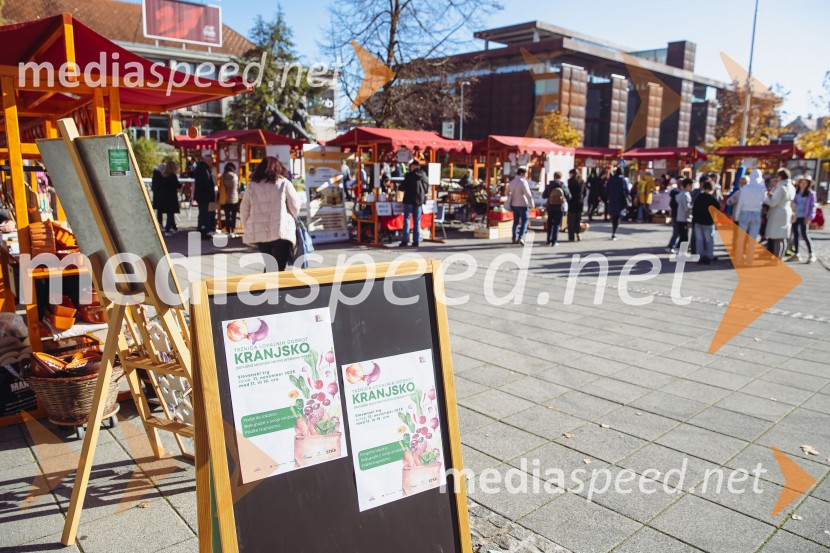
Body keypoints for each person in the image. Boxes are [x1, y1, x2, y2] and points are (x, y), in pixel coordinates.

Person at [240, 157, 300, 271]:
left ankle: (267, 286)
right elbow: (295, 207)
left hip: (261, 233)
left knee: (270, 265)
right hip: (281, 232)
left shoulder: (252, 186)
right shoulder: (284, 183)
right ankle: (272, 288)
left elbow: (244, 209)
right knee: (278, 267)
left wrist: (247, 225)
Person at [733, 169, 765, 265]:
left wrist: (736, 217)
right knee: (752, 239)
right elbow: (764, 201)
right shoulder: (762, 188)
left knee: (741, 238)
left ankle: (738, 259)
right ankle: (749, 260)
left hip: (745, 212)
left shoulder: (746, 188)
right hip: (756, 213)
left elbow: (740, 203)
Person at [763, 168, 796, 259]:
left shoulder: (781, 187)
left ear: (780, 176)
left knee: (776, 237)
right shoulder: (791, 186)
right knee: (783, 237)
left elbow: (773, 203)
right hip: (786, 211)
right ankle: (780, 256)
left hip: (778, 213)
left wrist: (765, 197)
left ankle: (777, 257)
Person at [399, 161, 430, 247]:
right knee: (417, 221)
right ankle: (416, 241)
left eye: (411, 166)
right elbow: (427, 188)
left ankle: (405, 240)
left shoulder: (409, 175)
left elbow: (402, 187)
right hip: (419, 201)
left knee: (407, 220)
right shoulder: (424, 175)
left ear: (413, 166)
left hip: (408, 200)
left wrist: (400, 187)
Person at [788, 175, 817, 263]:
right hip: (796, 215)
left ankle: (811, 253)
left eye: (805, 183)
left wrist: (809, 217)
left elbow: (812, 206)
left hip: (804, 216)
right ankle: (796, 253)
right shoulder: (796, 193)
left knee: (805, 234)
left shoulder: (811, 194)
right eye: (802, 182)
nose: (803, 184)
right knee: (795, 234)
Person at [692, 179, 720, 264]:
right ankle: (709, 256)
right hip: (708, 222)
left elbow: (694, 209)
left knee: (699, 240)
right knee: (709, 240)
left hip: (698, 221)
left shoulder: (699, 197)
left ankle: (699, 256)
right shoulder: (713, 199)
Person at [506, 168, 534, 245]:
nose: (526, 175)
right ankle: (521, 237)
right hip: (522, 204)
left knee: (515, 221)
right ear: (522, 173)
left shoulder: (512, 182)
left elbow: (506, 192)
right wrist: (531, 204)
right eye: (526, 173)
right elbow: (528, 194)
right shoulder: (523, 182)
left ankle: (514, 238)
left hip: (514, 204)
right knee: (525, 220)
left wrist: (511, 196)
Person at [193, 155, 216, 240]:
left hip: (202, 195)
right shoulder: (203, 169)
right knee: (204, 214)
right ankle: (203, 231)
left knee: (204, 214)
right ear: (207, 160)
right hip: (204, 196)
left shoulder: (202, 168)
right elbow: (205, 183)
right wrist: (211, 190)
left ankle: (203, 230)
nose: (211, 162)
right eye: (210, 160)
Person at [156, 161, 182, 235]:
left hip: (164, 197)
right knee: (170, 214)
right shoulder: (172, 176)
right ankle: (167, 230)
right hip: (171, 197)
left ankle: (174, 227)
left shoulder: (162, 175)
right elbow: (177, 185)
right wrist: (181, 185)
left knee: (169, 213)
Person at [542, 175, 567, 246]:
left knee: (550, 224)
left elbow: (544, 196)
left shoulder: (549, 185)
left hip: (550, 207)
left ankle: (548, 240)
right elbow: (568, 195)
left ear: (554, 177)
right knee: (556, 224)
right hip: (559, 207)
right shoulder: (562, 185)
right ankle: (554, 241)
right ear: (560, 177)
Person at [606, 167, 627, 240]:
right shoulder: (622, 179)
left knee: (614, 215)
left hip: (612, 199)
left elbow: (607, 189)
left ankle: (613, 230)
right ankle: (614, 231)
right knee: (618, 216)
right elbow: (626, 190)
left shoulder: (611, 179)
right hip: (620, 199)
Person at [221, 163, 241, 238]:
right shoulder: (235, 177)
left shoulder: (223, 176)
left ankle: (228, 230)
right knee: (233, 216)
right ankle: (233, 231)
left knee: (227, 216)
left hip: (225, 198)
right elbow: (238, 187)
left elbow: (221, 187)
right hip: (234, 199)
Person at [566, 168, 586, 242]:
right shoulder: (582, 181)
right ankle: (578, 233)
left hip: (571, 202)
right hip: (579, 202)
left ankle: (571, 236)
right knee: (578, 219)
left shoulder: (570, 181)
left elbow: (568, 192)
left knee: (571, 220)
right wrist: (581, 198)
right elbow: (584, 192)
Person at [675, 178, 694, 252]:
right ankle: (683, 252)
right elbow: (687, 208)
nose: (692, 187)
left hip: (680, 217)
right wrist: (693, 207)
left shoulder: (681, 194)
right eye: (691, 185)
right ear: (688, 185)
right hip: (684, 218)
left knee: (682, 236)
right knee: (684, 236)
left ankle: (680, 250)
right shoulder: (686, 195)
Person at [666, 179, 682, 252]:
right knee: (677, 231)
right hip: (678, 214)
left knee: (676, 231)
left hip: (674, 214)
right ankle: (672, 246)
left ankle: (673, 245)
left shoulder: (674, 193)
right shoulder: (679, 194)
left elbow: (671, 204)